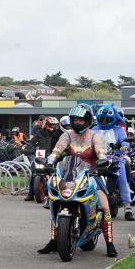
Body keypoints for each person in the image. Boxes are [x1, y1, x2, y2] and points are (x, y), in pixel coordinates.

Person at [38, 104, 117, 257]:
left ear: (88, 120)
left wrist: (103, 163)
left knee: (105, 207)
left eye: (81, 120)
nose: (77, 122)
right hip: (68, 174)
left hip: (91, 175)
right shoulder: (67, 135)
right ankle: (55, 240)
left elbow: (101, 154)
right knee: (54, 202)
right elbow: (56, 151)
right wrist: (49, 161)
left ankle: (110, 244)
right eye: (75, 119)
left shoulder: (95, 136)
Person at [93, 104, 133, 221]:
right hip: (97, 159)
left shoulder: (119, 130)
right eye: (102, 119)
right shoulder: (93, 129)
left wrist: (122, 149)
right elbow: (86, 141)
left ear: (114, 119)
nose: (105, 122)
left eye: (108, 119)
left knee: (122, 177)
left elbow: (126, 143)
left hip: (115, 158)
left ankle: (127, 207)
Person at [23, 115, 62, 201]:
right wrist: (27, 149)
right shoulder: (40, 133)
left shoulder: (58, 134)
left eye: (55, 125)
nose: (53, 127)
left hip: (54, 156)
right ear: (47, 124)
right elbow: (32, 142)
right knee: (34, 171)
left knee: (59, 172)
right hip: (42, 156)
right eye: (52, 125)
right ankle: (31, 194)